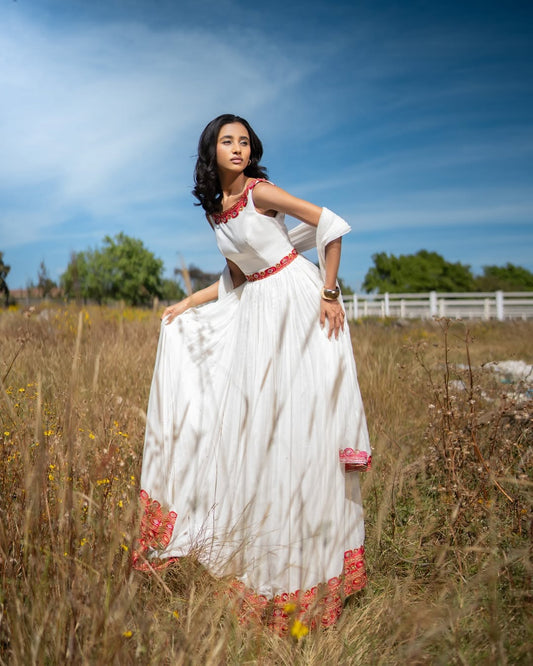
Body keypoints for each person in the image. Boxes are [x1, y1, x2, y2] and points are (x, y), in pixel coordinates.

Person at [133, 114, 371, 634]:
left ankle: (315, 568)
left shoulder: (261, 193)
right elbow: (236, 276)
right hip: (256, 311)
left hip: (297, 303)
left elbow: (330, 223)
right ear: (211, 151)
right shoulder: (217, 211)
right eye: (228, 140)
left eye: (244, 141)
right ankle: (267, 556)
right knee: (258, 430)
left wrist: (330, 294)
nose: (238, 148)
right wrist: (188, 303)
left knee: (299, 428)